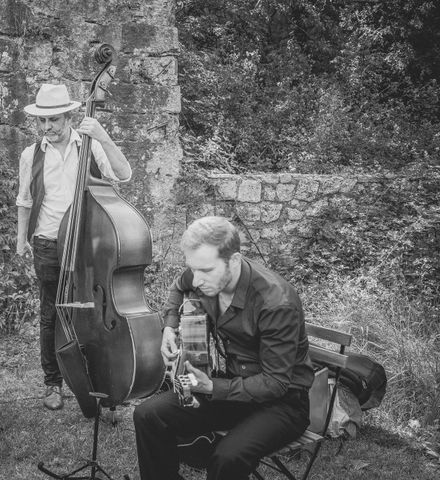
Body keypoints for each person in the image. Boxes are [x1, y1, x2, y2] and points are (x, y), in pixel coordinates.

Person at [133, 216, 314, 480]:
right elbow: (179, 285)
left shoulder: (276, 303)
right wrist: (170, 327)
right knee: (148, 414)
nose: (196, 281)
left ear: (235, 261)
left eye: (205, 271)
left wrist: (210, 387)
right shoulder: (203, 275)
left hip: (282, 405)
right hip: (231, 389)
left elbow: (276, 383)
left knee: (227, 457)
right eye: (193, 269)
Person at [16, 83, 132, 410]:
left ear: (68, 116)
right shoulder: (31, 154)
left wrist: (103, 136)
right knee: (51, 312)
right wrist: (21, 237)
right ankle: (53, 382)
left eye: (54, 119)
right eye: (42, 121)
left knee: (94, 312)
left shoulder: (90, 146)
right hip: (48, 242)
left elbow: (123, 175)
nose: (47, 127)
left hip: (87, 242)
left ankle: (100, 380)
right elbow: (24, 200)